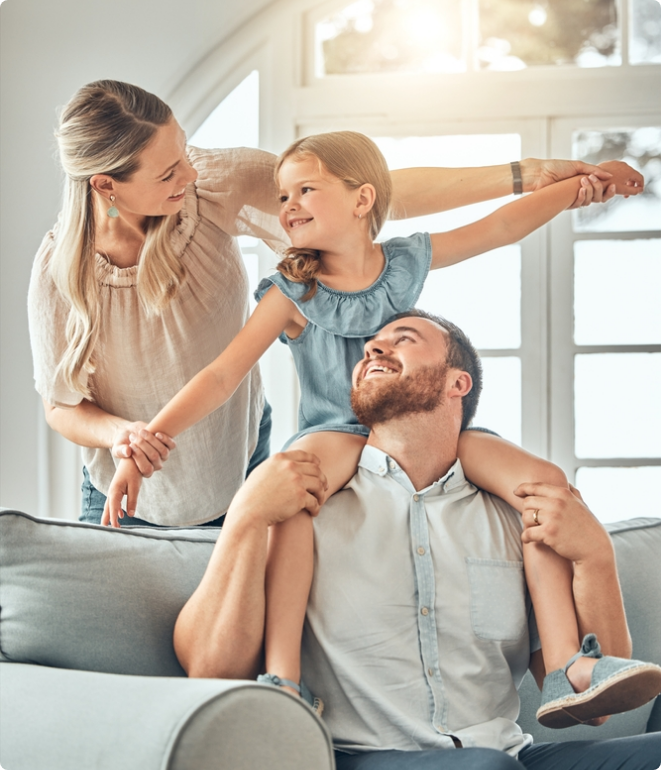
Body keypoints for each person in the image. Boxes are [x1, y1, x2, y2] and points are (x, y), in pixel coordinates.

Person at [106, 131, 644, 728]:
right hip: (333, 429)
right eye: (283, 195)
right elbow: (221, 374)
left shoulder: (405, 262)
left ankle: (568, 667)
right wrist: (145, 442)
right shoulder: (293, 292)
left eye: (305, 188)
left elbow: (500, 227)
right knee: (294, 501)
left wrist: (577, 188)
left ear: (362, 199)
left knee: (539, 485)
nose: (287, 205)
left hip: (407, 420)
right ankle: (283, 677)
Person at [28, 80, 642, 528]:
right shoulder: (64, 273)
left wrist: (539, 177)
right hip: (137, 487)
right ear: (106, 185)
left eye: (184, 152)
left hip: (236, 458)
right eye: (167, 173)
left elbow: (375, 195)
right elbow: (69, 405)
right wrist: (134, 440)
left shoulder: (211, 186)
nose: (187, 174)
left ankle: (574, 658)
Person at [173, 311, 661, 770]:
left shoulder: (515, 515)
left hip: (506, 756)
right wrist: (244, 516)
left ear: (457, 383)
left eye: (402, 340)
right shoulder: (306, 499)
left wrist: (596, 555)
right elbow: (210, 671)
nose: (373, 350)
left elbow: (592, 709)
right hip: (364, 757)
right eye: (370, 348)